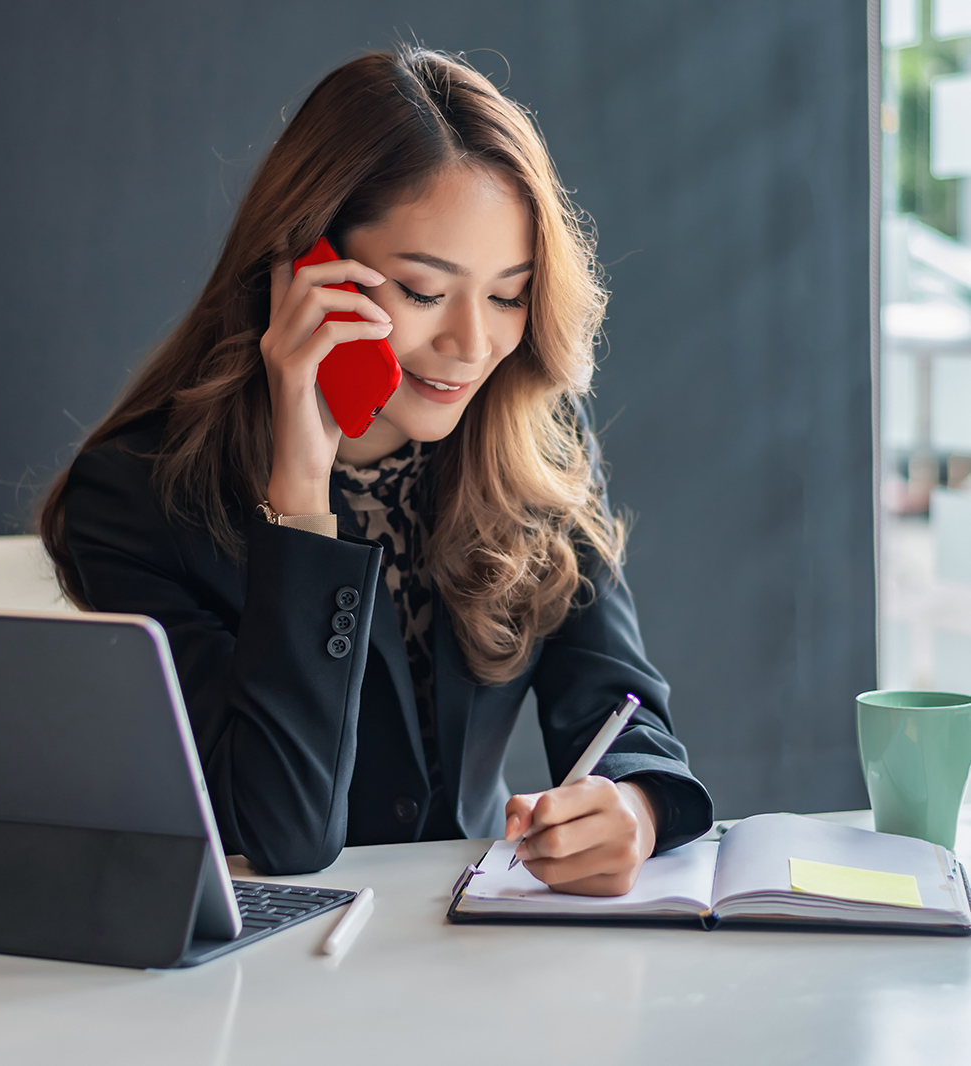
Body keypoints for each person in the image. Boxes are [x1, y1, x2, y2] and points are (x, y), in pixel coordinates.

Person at [39, 47, 712, 895]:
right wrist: (300, 496)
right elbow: (281, 833)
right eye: (423, 292)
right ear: (307, 272)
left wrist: (638, 803)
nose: (472, 346)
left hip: (475, 945)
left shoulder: (530, 433)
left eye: (509, 294)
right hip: (268, 979)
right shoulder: (138, 495)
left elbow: (618, 703)